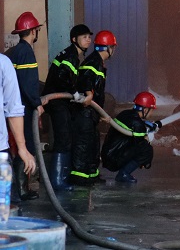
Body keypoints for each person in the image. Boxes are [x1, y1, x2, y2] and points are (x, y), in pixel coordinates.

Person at [42, 24, 93, 191]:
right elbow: (62, 77)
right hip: (57, 102)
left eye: (89, 37)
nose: (88, 40)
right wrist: (74, 93)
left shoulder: (73, 56)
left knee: (66, 137)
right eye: (84, 37)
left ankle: (62, 178)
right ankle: (57, 181)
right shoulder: (70, 56)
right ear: (74, 39)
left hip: (62, 103)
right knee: (63, 139)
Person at [5, 11, 44, 201]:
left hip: (12, 106)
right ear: (33, 31)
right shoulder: (27, 52)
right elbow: (28, 83)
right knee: (26, 146)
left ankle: (15, 189)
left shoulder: (13, 52)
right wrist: (37, 103)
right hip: (23, 108)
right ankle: (21, 189)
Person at [71, 29, 116, 185]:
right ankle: (79, 177)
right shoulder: (93, 62)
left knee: (93, 143)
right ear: (107, 48)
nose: (114, 50)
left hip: (92, 113)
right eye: (113, 47)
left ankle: (91, 174)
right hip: (84, 113)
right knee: (83, 144)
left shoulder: (98, 62)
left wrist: (100, 113)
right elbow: (85, 79)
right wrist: (89, 93)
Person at [101, 91, 160, 183]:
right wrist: (148, 137)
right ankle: (123, 174)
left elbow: (132, 127)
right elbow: (141, 143)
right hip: (114, 160)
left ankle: (123, 173)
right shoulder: (138, 124)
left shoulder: (125, 113)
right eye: (151, 110)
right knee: (147, 149)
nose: (152, 113)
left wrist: (147, 126)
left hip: (108, 155)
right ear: (145, 110)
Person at [0, 54, 37, 181]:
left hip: (1, 152)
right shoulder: (3, 62)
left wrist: (22, 148)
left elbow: (13, 109)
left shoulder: (3, 63)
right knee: (4, 193)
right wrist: (22, 148)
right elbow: (13, 108)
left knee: (4, 192)